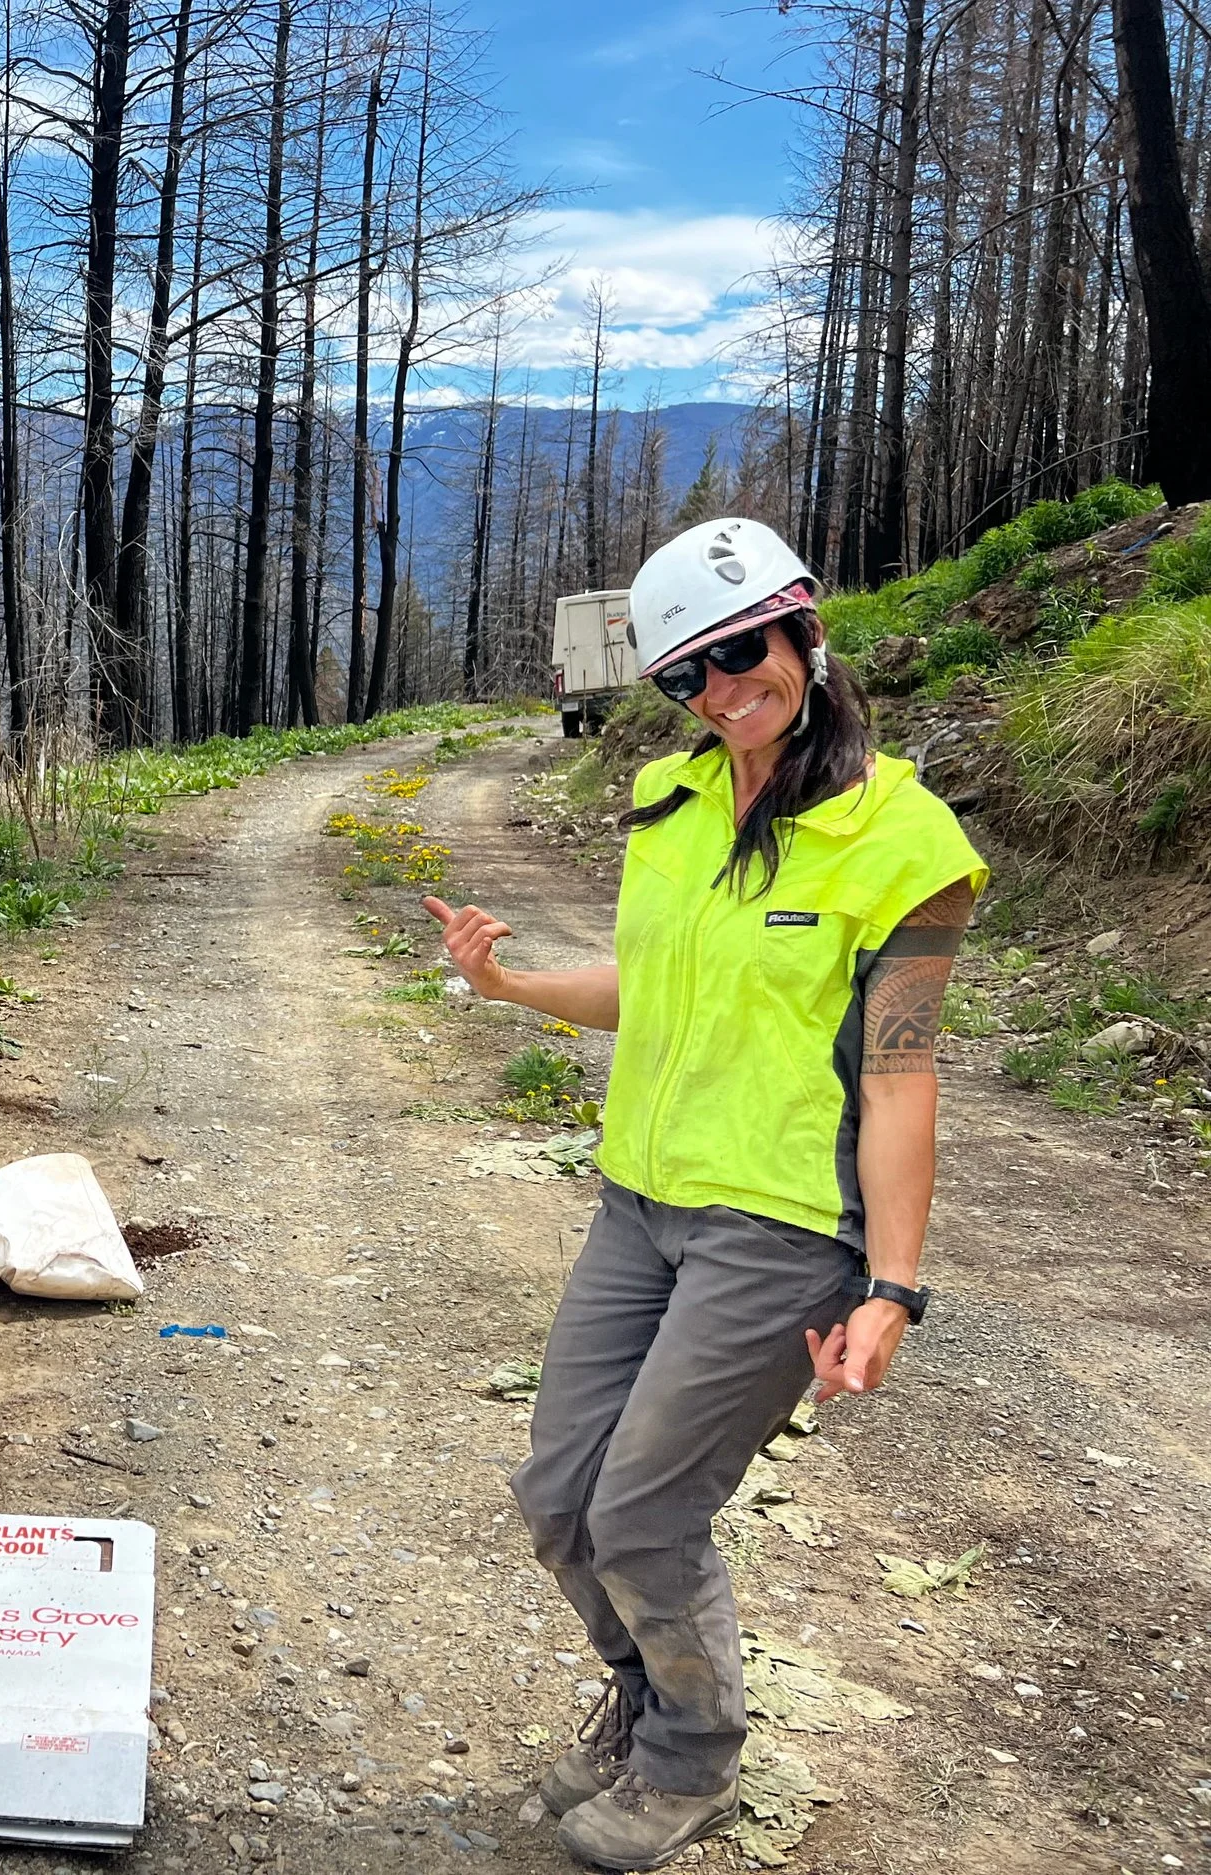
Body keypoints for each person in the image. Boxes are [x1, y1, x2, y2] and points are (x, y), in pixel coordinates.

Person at [425, 518, 987, 1872]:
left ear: (804, 629)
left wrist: (893, 1284)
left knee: (645, 1511)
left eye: (744, 653)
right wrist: (507, 987)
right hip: (639, 1203)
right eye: (690, 674)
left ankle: (690, 1755)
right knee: (560, 1492)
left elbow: (901, 1074)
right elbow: (648, 988)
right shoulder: (673, 803)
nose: (726, 692)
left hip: (781, 1229)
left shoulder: (903, 843)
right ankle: (647, 1693)